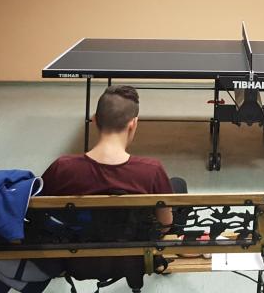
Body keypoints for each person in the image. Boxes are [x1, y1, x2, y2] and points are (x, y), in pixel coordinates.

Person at [40, 85, 186, 288]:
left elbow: (39, 213)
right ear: (133, 124)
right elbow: (165, 224)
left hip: (76, 261)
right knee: (178, 185)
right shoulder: (151, 170)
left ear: (94, 120)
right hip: (135, 259)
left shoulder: (62, 168)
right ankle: (159, 258)